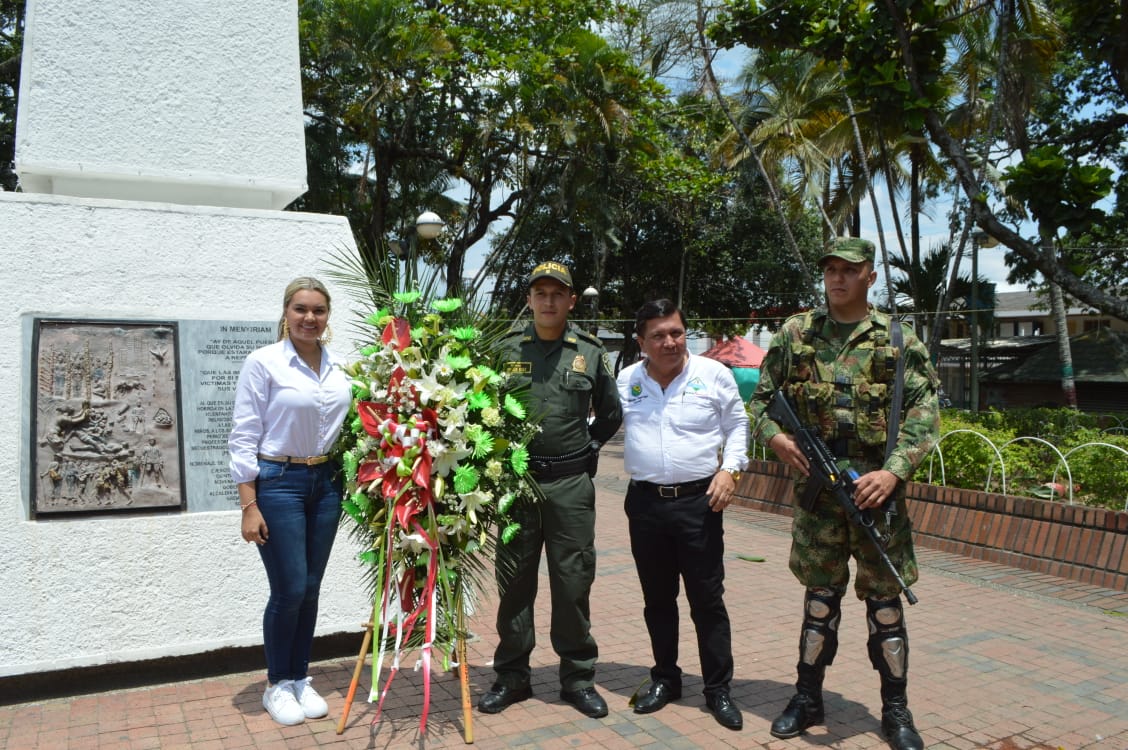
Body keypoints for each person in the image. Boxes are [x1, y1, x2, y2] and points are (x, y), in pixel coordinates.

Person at [748, 238, 940, 750]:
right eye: (830, 269)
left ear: (870, 276)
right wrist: (778, 439)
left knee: (885, 606)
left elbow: (925, 417)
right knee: (819, 602)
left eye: (849, 271)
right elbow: (762, 401)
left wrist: (894, 472)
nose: (837, 279)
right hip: (818, 493)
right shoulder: (795, 334)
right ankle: (807, 697)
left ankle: (896, 709)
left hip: (877, 494)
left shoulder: (899, 340)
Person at [477, 261, 623, 719]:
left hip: (569, 485)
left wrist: (591, 448)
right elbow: (481, 409)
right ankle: (512, 676)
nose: (548, 301)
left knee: (573, 580)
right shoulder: (503, 351)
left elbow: (612, 413)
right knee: (515, 582)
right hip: (516, 486)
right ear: (529, 299)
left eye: (557, 293)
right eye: (540, 293)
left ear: (571, 301)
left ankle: (578, 678)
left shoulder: (591, 353)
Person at [616, 299, 748, 731]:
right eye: (658, 335)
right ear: (641, 342)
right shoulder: (626, 381)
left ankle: (717, 690)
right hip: (646, 504)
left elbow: (738, 425)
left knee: (707, 600)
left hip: (700, 503)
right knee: (657, 600)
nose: (670, 342)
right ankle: (665, 678)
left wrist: (731, 471)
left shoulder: (713, 375)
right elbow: (593, 425)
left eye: (676, 332)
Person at [228, 277, 352, 727]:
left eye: (318, 310)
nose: (309, 318)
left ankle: (300, 676)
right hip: (278, 481)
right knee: (290, 587)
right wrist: (249, 504)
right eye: (300, 309)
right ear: (285, 312)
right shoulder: (263, 363)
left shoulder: (340, 368)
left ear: (327, 316)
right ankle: (277, 683)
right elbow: (243, 435)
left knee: (312, 586)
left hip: (327, 481)